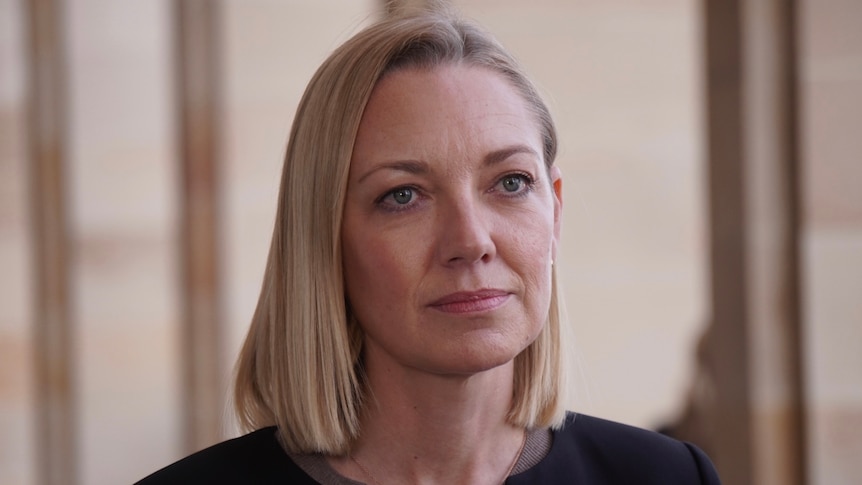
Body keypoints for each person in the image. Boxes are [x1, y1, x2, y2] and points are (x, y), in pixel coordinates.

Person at [137, 4, 720, 484]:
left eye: (511, 183)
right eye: (403, 196)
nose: (470, 241)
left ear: (556, 213)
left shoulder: (665, 477)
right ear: (321, 238)